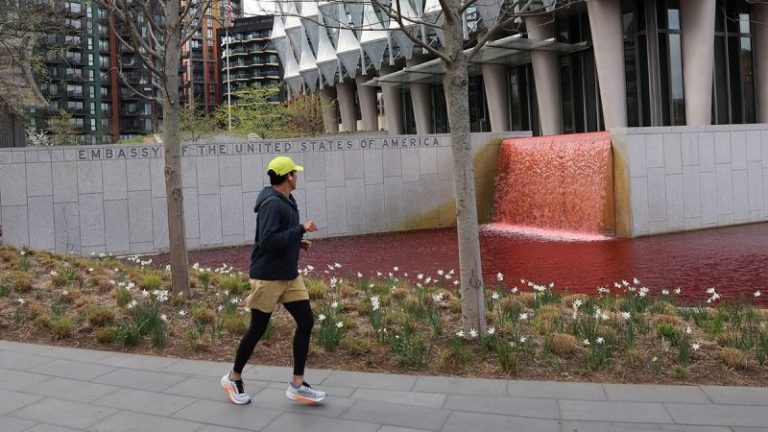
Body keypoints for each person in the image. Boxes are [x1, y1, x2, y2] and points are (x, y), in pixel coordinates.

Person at [221, 155, 326, 405]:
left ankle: (297, 385)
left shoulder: (287, 200)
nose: (297, 176)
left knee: (306, 322)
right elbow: (267, 241)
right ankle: (233, 378)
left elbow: (280, 235)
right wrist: (301, 229)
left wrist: (297, 242)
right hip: (268, 276)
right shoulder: (272, 204)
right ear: (289, 177)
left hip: (289, 275)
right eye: (295, 173)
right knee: (257, 329)